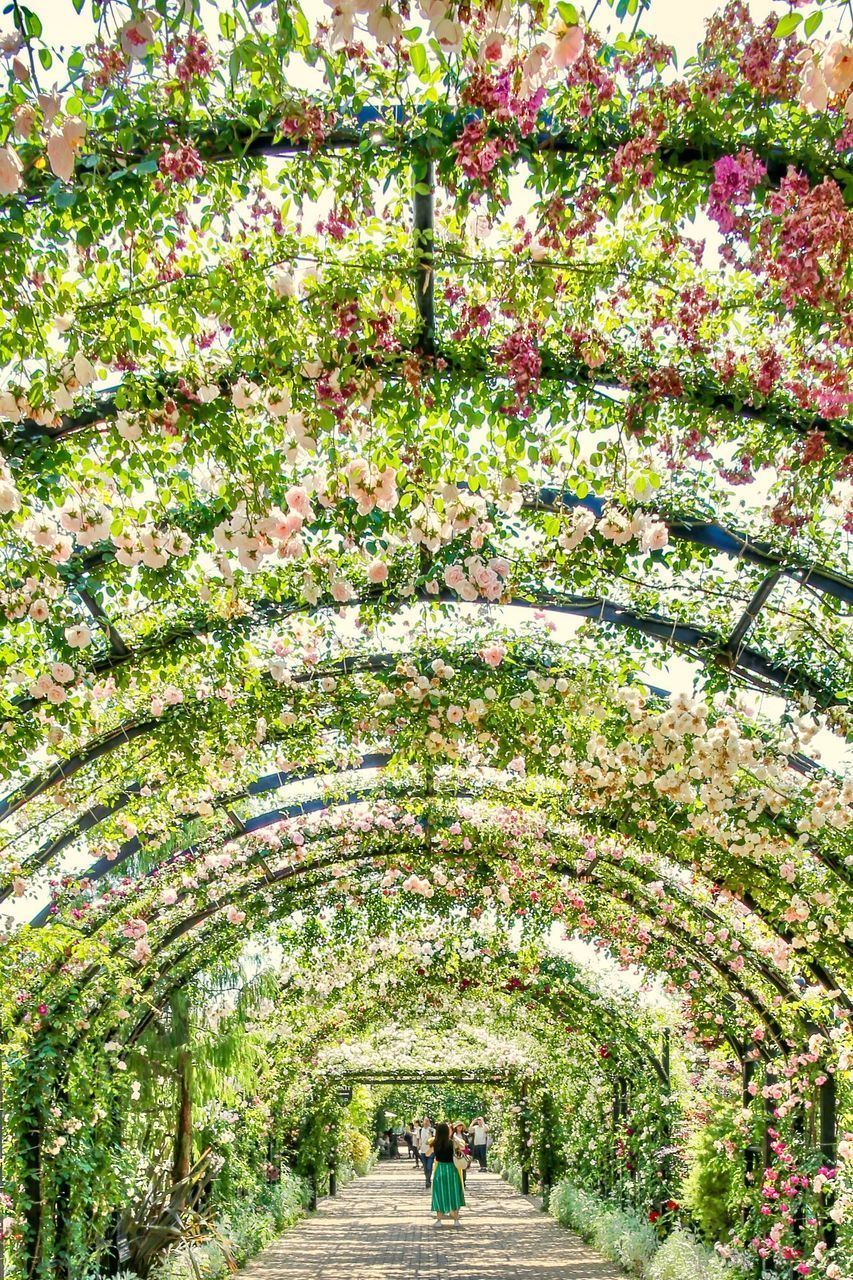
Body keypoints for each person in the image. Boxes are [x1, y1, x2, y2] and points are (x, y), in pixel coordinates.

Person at [431, 1121, 465, 1227]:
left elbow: (427, 1153)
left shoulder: (435, 1143)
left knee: (439, 1193)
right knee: (453, 1193)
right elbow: (462, 1147)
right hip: (451, 1170)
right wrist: (454, 1138)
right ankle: (456, 1220)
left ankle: (439, 1220)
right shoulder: (452, 1143)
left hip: (440, 1169)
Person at [452, 1121, 471, 1186]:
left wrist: (464, 1145)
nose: (460, 1127)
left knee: (463, 1167)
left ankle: (463, 1181)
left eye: (461, 1126)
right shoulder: (453, 1135)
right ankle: (457, 1181)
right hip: (455, 1153)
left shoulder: (464, 1135)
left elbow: (468, 1144)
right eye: (458, 1126)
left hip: (463, 1152)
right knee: (456, 1167)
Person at [417, 1116, 434, 1189]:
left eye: (428, 1121)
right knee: (425, 1166)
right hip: (423, 1151)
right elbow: (418, 1139)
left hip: (430, 1151)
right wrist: (418, 1146)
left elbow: (434, 1139)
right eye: (425, 1120)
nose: (426, 1122)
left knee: (429, 1166)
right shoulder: (420, 1130)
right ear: (423, 1121)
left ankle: (428, 1180)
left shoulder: (432, 1130)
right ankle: (427, 1179)